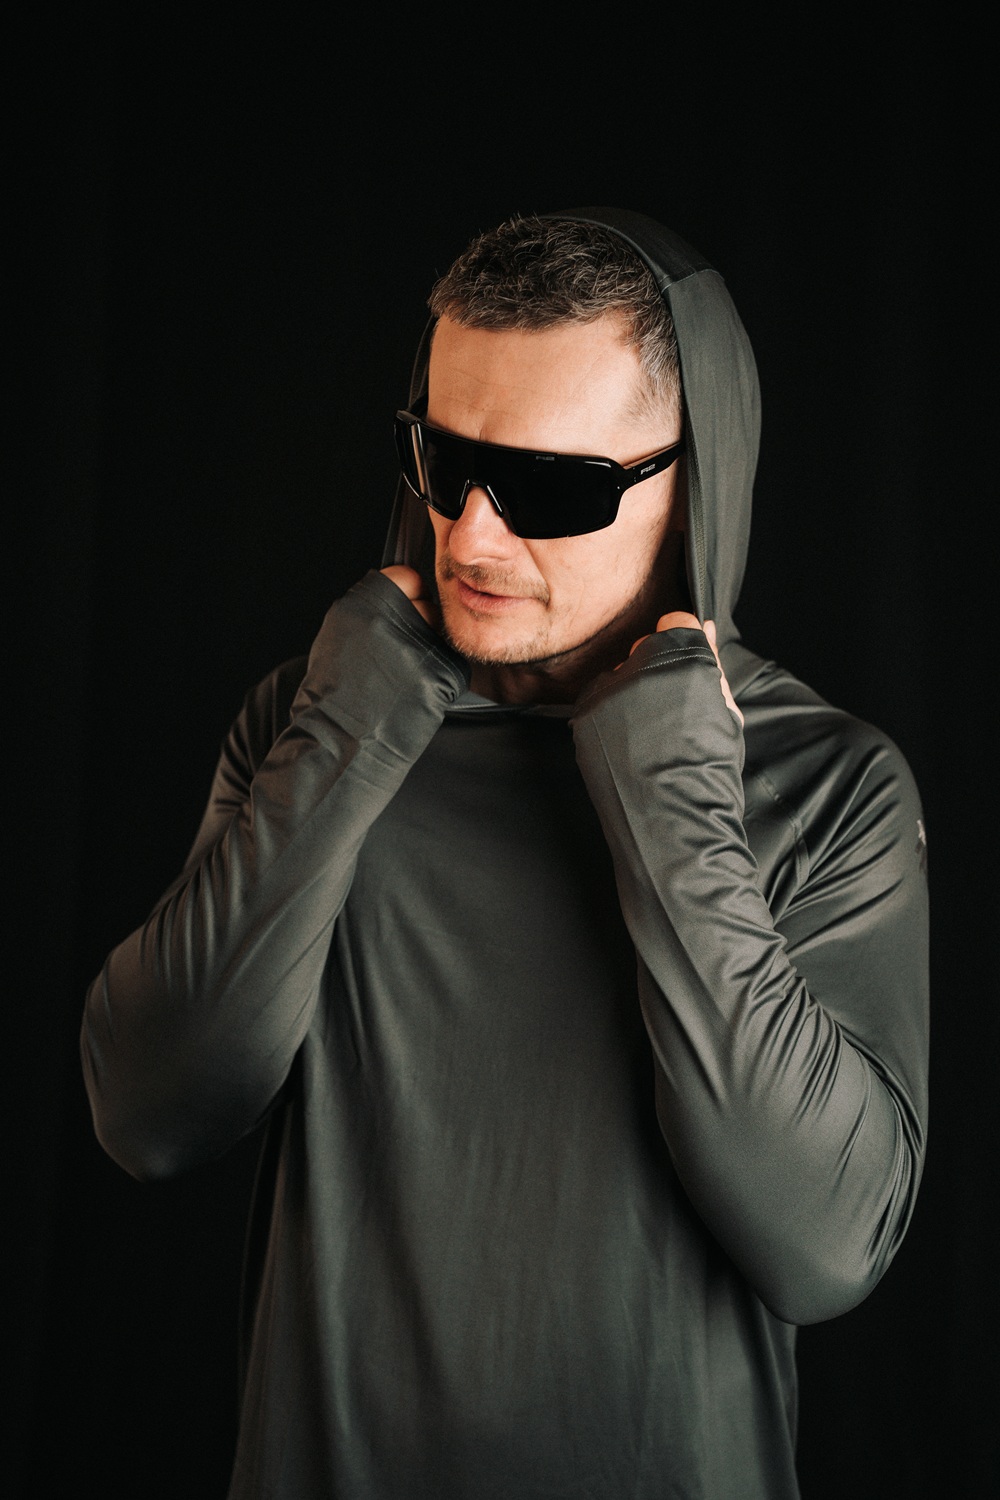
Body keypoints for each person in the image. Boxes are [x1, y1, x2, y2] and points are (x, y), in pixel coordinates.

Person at [81, 208, 930, 1499]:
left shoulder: (826, 788)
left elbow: (824, 1245)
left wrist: (670, 789)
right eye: (443, 460)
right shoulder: (319, 722)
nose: (469, 538)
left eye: (549, 489)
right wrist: (347, 739)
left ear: (698, 481)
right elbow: (151, 1107)